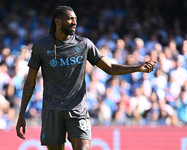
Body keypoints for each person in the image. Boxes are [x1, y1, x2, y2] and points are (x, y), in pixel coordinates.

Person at [16, 5, 157, 150]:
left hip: (78, 110)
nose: (74, 22)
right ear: (57, 21)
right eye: (70, 19)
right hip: (52, 110)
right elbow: (30, 82)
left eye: (75, 19)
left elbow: (109, 68)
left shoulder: (84, 44)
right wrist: (21, 115)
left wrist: (137, 68)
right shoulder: (41, 46)